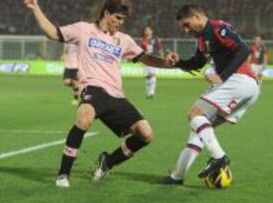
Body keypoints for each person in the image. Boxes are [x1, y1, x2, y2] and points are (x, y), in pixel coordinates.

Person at [24, 0, 176, 187]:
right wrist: (36, 8)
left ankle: (108, 162)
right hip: (92, 88)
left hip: (116, 95)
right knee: (84, 119)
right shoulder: (83, 29)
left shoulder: (124, 39)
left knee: (146, 135)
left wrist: (166, 63)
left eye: (123, 19)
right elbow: (52, 32)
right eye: (117, 18)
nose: (120, 22)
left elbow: (145, 57)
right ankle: (63, 175)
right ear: (106, 13)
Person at [159, 4, 260, 185]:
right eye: (183, 26)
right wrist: (178, 62)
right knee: (199, 130)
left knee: (194, 115)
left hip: (239, 80)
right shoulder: (201, 38)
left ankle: (219, 158)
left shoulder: (217, 28)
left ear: (197, 16)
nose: (185, 29)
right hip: (244, 86)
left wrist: (222, 76)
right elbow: (198, 63)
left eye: (187, 24)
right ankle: (177, 176)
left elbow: (243, 49)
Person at [140, 26, 163, 99]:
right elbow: (141, 51)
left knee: (153, 75)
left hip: (154, 59)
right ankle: (148, 93)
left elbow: (159, 48)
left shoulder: (155, 39)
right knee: (147, 77)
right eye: (145, 30)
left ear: (151, 31)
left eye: (148, 30)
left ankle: (151, 93)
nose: (146, 31)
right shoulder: (143, 40)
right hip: (146, 59)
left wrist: (162, 58)